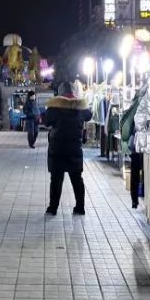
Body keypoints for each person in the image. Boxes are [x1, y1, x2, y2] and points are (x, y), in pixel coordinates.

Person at [43, 81, 92, 216]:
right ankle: (80, 207)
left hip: (57, 149)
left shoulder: (55, 107)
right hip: (74, 148)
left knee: (56, 180)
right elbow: (89, 115)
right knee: (77, 179)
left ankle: (53, 208)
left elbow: (45, 121)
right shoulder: (79, 106)